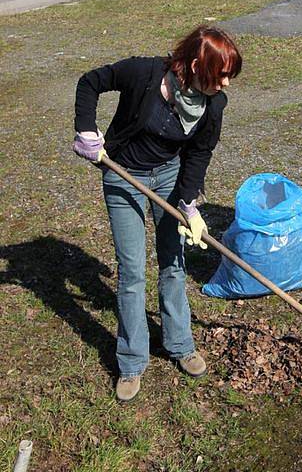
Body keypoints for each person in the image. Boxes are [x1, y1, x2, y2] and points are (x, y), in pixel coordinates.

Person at [72, 26, 242, 401]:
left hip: (168, 177)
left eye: (230, 75)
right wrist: (86, 130)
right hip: (123, 177)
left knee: (174, 262)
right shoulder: (144, 73)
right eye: (221, 74)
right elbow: (89, 83)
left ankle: (180, 343)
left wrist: (189, 203)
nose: (227, 83)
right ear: (197, 65)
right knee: (132, 271)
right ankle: (132, 361)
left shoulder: (213, 103)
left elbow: (199, 153)